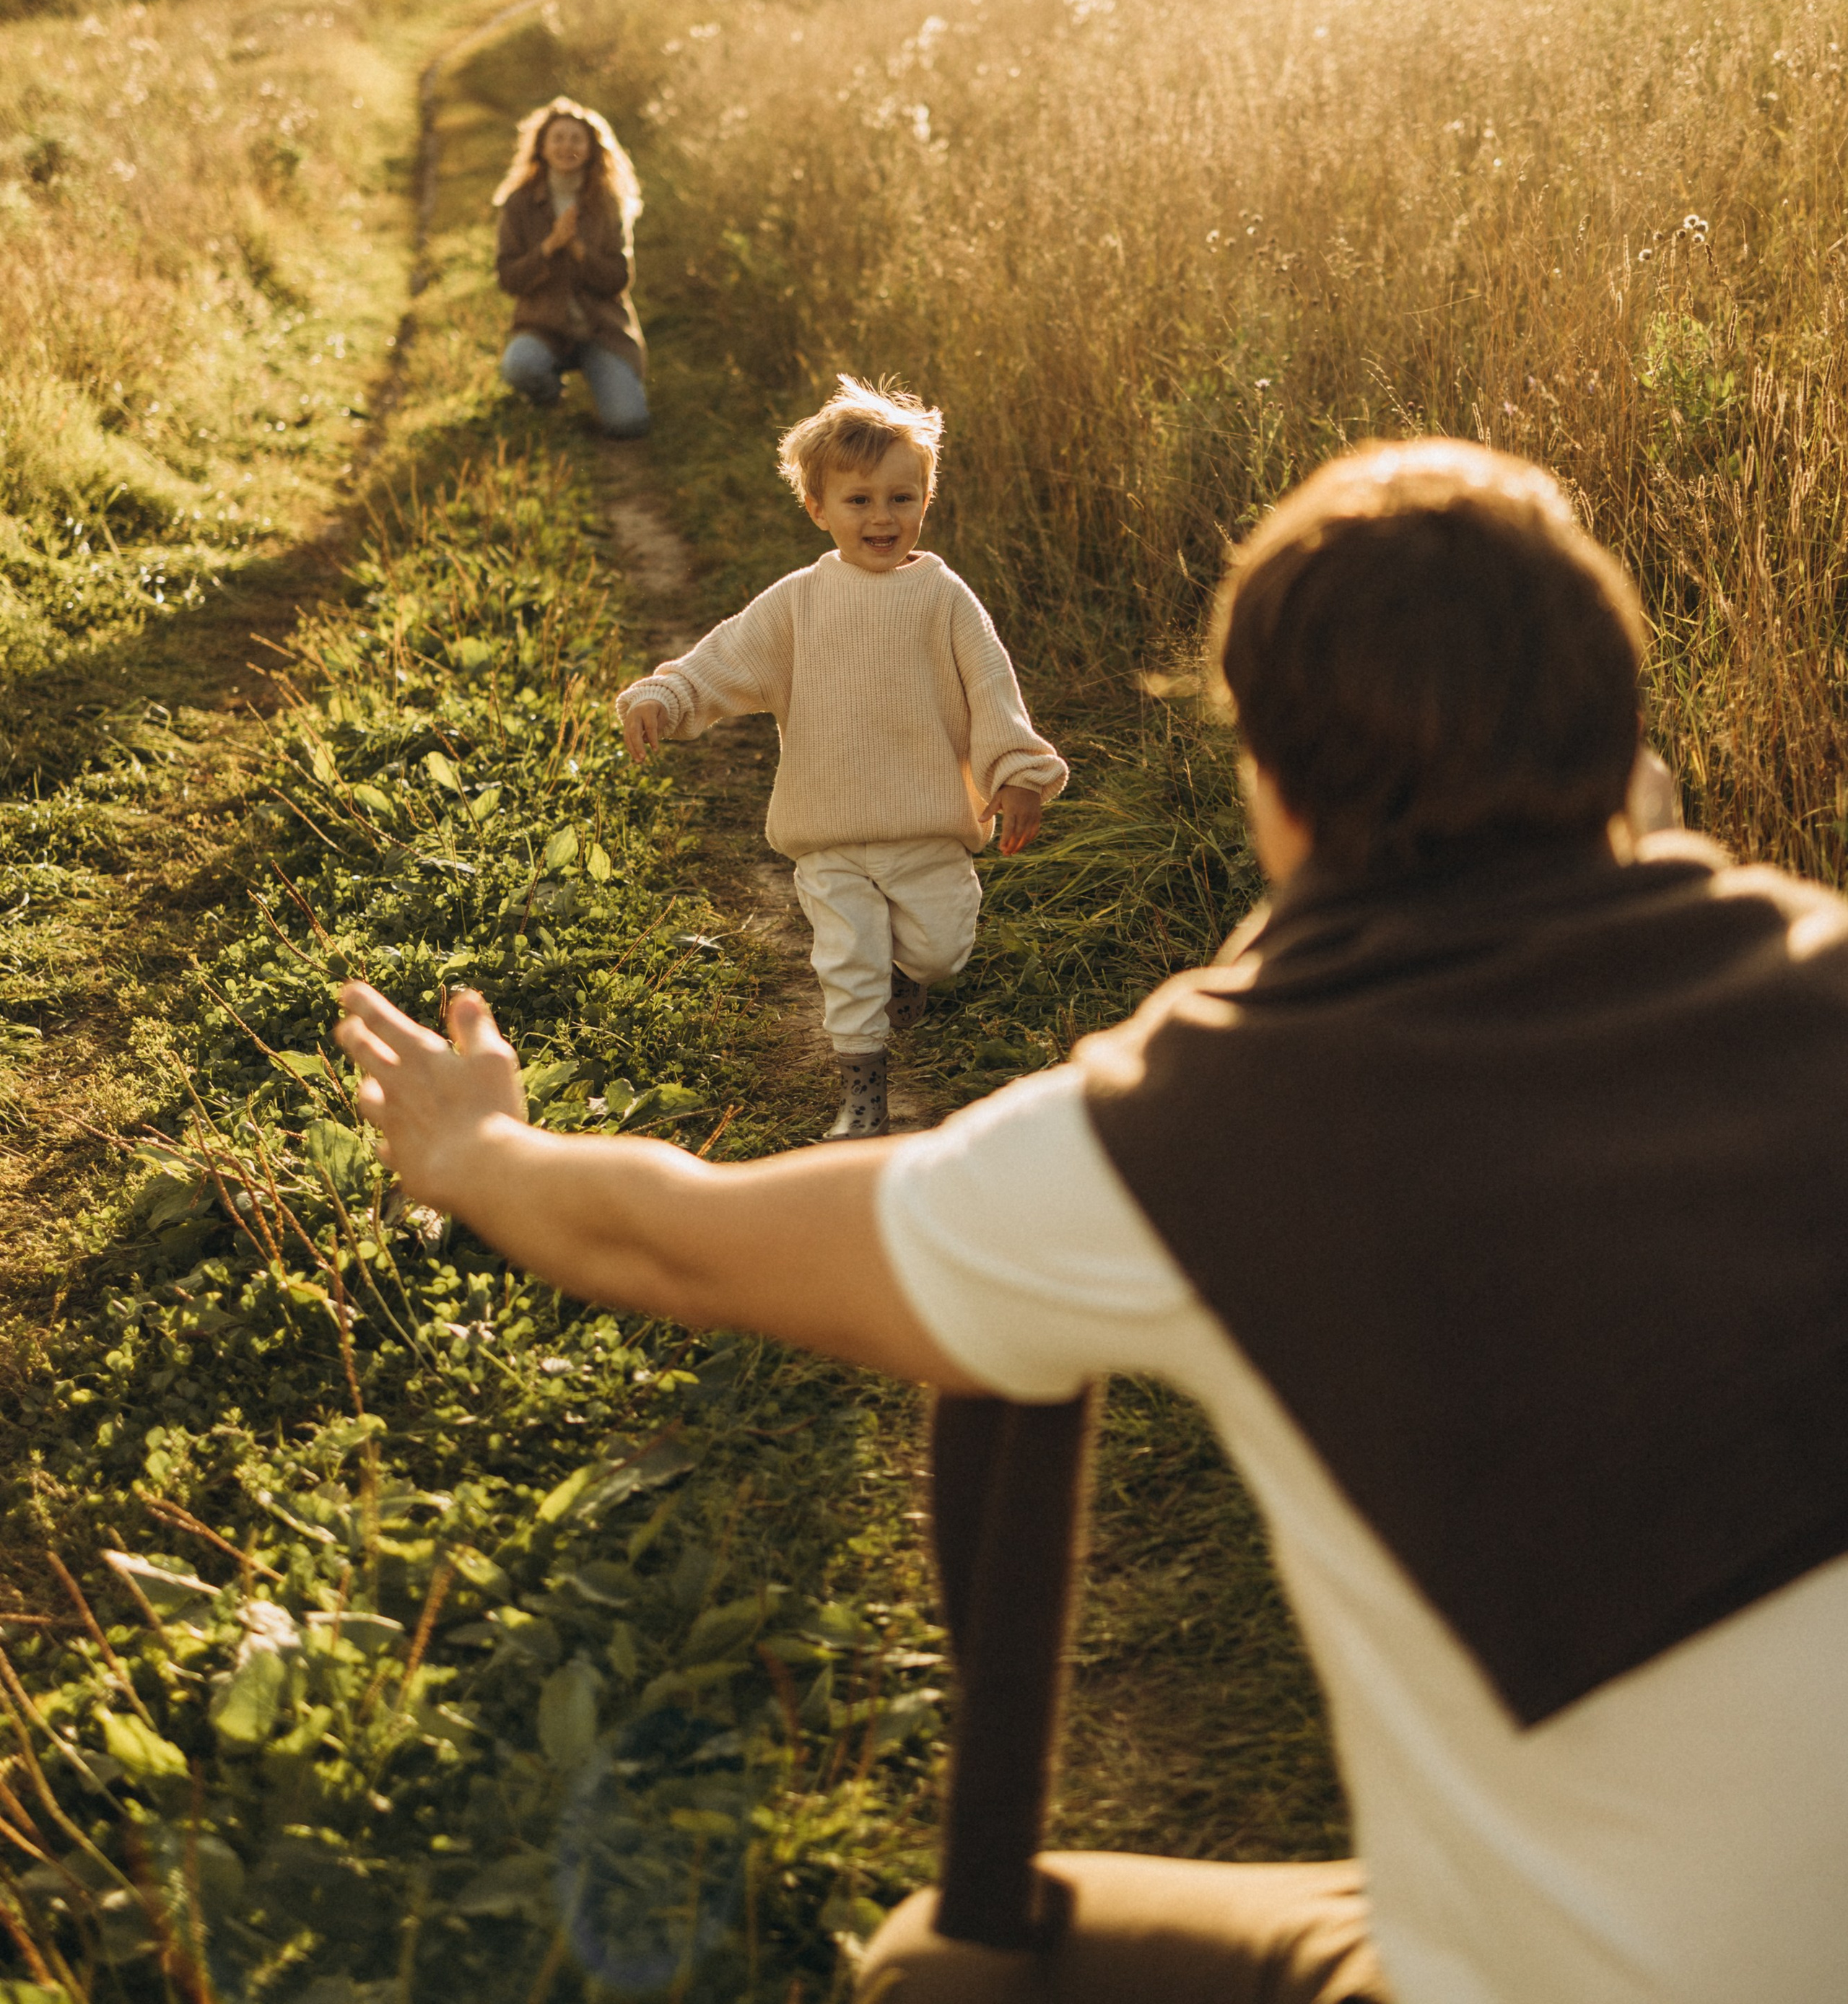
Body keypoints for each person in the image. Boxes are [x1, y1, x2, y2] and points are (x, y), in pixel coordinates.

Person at [335, 437, 1848, 2004]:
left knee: (936, 1971)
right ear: (1622, 743)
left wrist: (484, 1153)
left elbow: (683, 1237)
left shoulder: (1212, 1130)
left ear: (1270, 784)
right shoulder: (1818, 964)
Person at [614, 376, 1067, 1139]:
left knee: (943, 952)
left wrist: (1020, 776)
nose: (882, 517)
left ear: (926, 499)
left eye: (901, 498)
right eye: (859, 501)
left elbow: (993, 690)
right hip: (827, 834)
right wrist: (666, 695)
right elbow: (724, 659)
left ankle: (907, 975)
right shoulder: (799, 601)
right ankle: (863, 1100)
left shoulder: (944, 598)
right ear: (817, 508)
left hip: (926, 828)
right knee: (848, 965)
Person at [494, 96, 649, 438]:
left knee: (629, 423)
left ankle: (607, 378)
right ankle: (550, 397)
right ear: (542, 147)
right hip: (543, 328)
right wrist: (549, 246)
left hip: (601, 332)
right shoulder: (519, 204)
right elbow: (508, 279)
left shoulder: (607, 203)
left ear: (592, 150)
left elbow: (619, 279)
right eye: (558, 138)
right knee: (519, 367)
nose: (567, 147)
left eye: (576, 139)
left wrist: (578, 250)